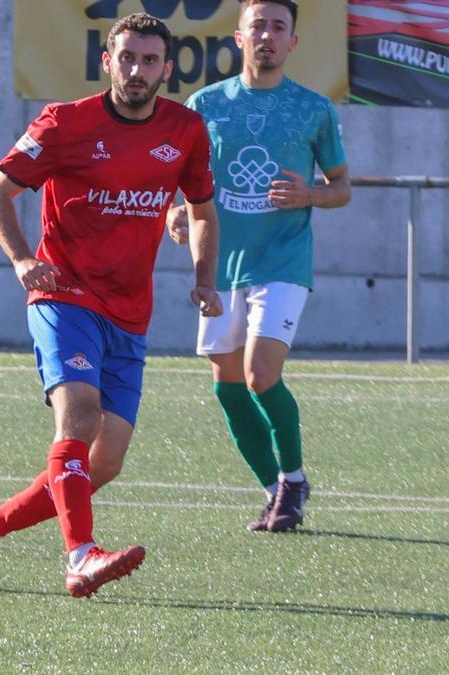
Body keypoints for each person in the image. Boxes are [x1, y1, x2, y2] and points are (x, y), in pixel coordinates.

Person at [0, 13, 223, 598]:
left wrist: (205, 280)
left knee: (104, 463)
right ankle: (81, 556)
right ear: (107, 61)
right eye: (126, 58)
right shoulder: (64, 122)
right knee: (78, 417)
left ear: (167, 69)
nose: (136, 70)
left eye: (149, 60)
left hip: (130, 311)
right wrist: (21, 259)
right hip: (64, 294)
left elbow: (202, 209)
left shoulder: (185, 130)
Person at [167, 0, 350, 533]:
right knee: (227, 385)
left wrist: (311, 194)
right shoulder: (205, 104)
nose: (267, 36)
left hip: (283, 260)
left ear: (293, 41)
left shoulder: (313, 108)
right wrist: (174, 212)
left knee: (260, 375)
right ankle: (277, 490)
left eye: (278, 27)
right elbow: (178, 178)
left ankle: (293, 476)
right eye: (258, 26)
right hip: (219, 264)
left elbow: (341, 188)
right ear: (239, 37)